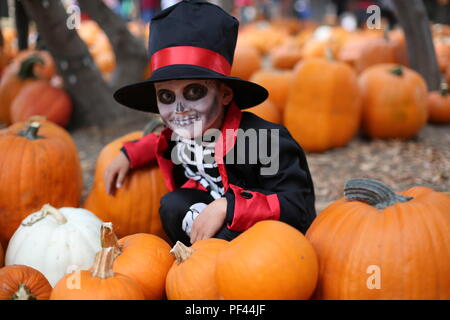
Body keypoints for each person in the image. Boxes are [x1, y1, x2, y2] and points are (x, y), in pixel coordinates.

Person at [106, 0, 316, 246]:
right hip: (215, 225)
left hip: (266, 241)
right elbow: (161, 140)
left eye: (194, 92)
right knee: (173, 205)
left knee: (232, 237)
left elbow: (295, 205)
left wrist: (229, 205)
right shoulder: (185, 134)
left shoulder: (264, 143)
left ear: (225, 94)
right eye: (166, 96)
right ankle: (198, 264)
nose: (180, 109)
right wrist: (129, 153)